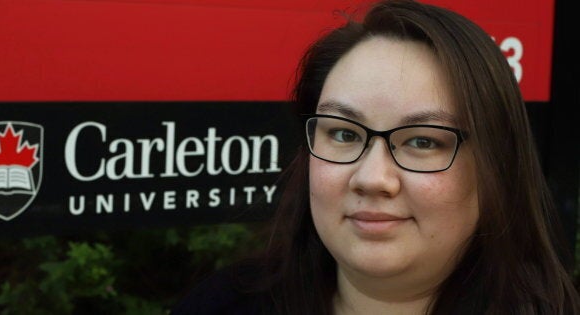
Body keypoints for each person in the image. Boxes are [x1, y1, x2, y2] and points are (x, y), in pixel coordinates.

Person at [172, 0, 580, 314]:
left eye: (423, 141)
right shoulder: (221, 305)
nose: (372, 178)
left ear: (496, 166)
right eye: (345, 133)